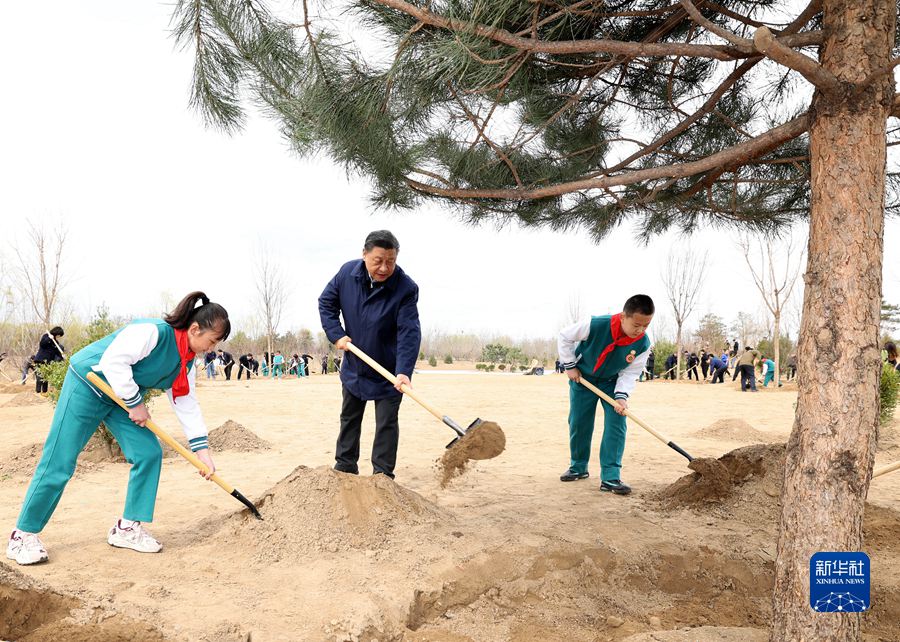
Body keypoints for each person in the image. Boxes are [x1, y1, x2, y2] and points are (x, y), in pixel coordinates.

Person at [6, 291, 228, 566]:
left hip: (120, 398)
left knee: (148, 453)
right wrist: (136, 403)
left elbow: (186, 403)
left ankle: (127, 529)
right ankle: (22, 535)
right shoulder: (154, 332)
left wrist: (202, 451)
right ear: (195, 329)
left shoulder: (186, 361)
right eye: (212, 341)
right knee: (60, 459)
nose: (212, 348)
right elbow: (113, 361)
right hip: (88, 383)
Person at [318, 230, 421, 479]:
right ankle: (345, 468)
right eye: (378, 260)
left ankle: (383, 476)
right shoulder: (346, 274)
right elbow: (326, 303)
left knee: (386, 423)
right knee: (349, 418)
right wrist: (336, 334)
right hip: (355, 363)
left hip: (389, 371)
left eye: (391, 261)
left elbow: (409, 332)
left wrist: (404, 371)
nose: (384, 268)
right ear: (364, 254)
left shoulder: (405, 288)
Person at [557, 294, 654, 496]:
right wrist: (570, 366)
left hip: (613, 382)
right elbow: (565, 336)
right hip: (582, 378)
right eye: (636, 325)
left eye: (646, 325)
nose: (641, 330)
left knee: (617, 423)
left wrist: (621, 396)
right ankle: (578, 467)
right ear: (623, 317)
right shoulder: (596, 324)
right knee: (579, 422)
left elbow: (631, 372)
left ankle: (610, 477)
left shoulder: (643, 344)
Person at [33, 327, 65, 394]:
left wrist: (62, 356)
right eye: (59, 335)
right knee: (40, 376)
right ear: (57, 332)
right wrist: (49, 339)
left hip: (48, 361)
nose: (59, 336)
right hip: (41, 359)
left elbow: (56, 352)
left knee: (46, 377)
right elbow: (42, 344)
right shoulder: (46, 336)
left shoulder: (56, 342)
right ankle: (38, 391)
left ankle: (44, 391)